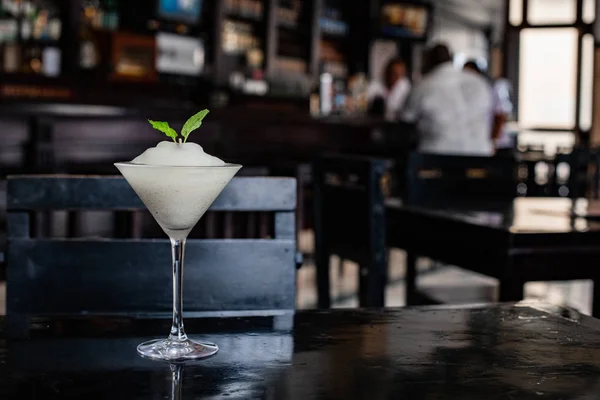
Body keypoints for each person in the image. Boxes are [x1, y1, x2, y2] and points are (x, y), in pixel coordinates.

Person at [402, 44, 494, 156]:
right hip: (479, 156)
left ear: (428, 61)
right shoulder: (479, 82)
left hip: (435, 158)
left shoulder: (422, 86)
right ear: (451, 58)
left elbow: (406, 120)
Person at [463, 59, 514, 153]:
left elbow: (500, 115)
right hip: (483, 144)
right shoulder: (472, 93)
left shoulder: (490, 87)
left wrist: (494, 141)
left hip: (498, 145)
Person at [367, 57, 412, 122]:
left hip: (397, 127)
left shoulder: (405, 86)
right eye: (394, 74)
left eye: (401, 74)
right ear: (387, 73)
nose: (398, 78)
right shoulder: (375, 86)